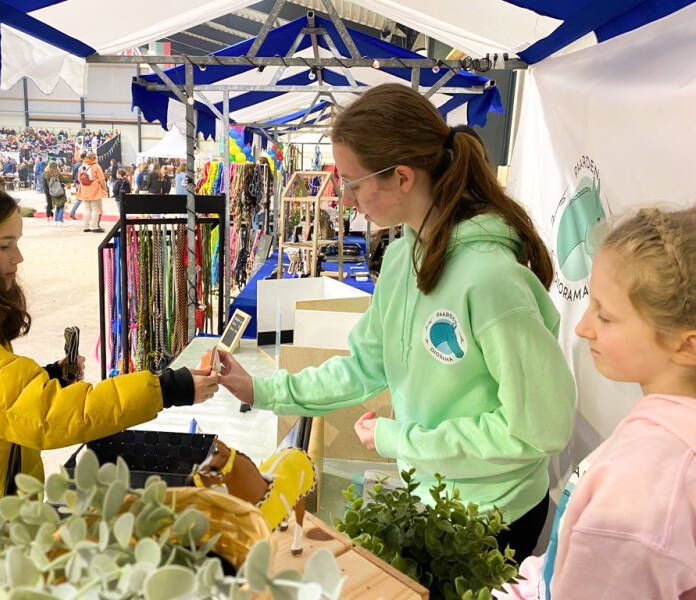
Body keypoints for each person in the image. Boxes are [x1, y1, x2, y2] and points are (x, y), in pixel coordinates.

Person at [218, 83, 576, 562]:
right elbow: (364, 366)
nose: (344, 199)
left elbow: (538, 430)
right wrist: (261, 390)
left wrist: (400, 441)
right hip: (429, 496)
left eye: (353, 182)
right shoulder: (403, 255)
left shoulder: (490, 280)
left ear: (403, 177)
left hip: (493, 518)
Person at [0, 178, 220, 569]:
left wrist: (48, 376)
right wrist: (168, 388)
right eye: (5, 246)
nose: (18, 258)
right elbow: (45, 416)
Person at [496, 207, 696, 599]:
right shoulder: (660, 444)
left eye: (605, 316)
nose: (582, 327)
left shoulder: (638, 496)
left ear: (685, 344)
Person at [76, 152, 108, 233]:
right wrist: (105, 188)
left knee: (86, 209)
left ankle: (85, 226)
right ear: (94, 158)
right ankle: (94, 227)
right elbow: (102, 179)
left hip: (84, 190)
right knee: (95, 209)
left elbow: (79, 179)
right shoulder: (96, 167)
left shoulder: (81, 167)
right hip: (94, 190)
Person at [43, 161, 66, 226]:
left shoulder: (45, 174)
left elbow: (44, 185)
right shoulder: (58, 172)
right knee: (59, 205)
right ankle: (57, 220)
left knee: (49, 205)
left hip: (48, 191)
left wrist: (46, 192)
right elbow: (62, 182)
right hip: (58, 191)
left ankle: (49, 220)